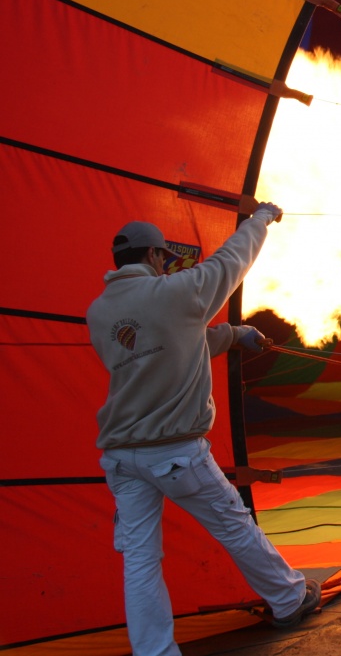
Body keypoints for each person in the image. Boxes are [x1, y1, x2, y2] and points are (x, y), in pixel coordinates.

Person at [87, 205, 320, 656]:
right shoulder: (174, 292)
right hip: (174, 451)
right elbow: (231, 262)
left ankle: (154, 651)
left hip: (121, 455)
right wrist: (261, 219)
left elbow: (171, 345)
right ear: (156, 255)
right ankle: (290, 598)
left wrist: (234, 333)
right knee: (234, 526)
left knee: (140, 560)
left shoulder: (100, 312)